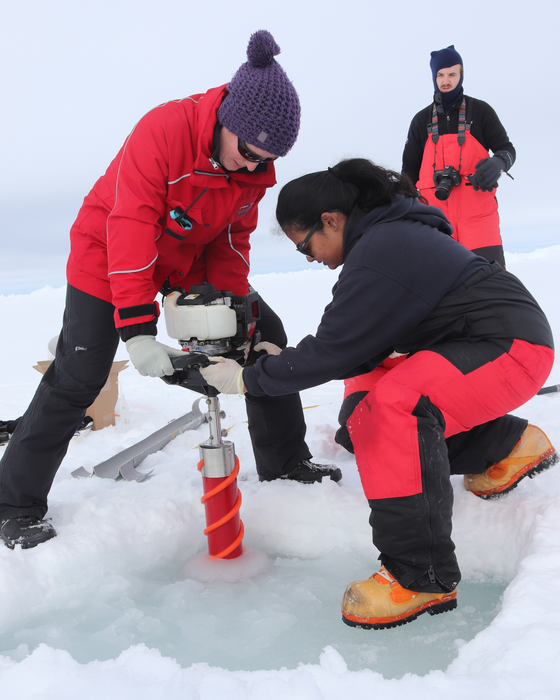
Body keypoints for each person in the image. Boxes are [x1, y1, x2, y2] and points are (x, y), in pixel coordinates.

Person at [0, 30, 341, 552]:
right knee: (82, 369)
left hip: (184, 257)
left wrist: (232, 313)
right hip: (106, 252)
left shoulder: (253, 165)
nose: (254, 167)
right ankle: (14, 503)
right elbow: (131, 224)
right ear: (228, 117)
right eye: (248, 153)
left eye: (265, 161)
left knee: (263, 331)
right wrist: (137, 330)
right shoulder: (163, 131)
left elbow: (232, 240)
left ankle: (286, 463)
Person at [199, 158, 558, 630]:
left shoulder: (385, 247)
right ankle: (508, 445)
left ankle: (421, 578)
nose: (310, 258)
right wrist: (271, 362)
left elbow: (332, 350)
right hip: (464, 344)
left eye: (306, 245)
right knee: (360, 419)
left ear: (332, 220)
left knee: (397, 408)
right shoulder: (383, 241)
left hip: (507, 345)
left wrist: (247, 378)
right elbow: (354, 350)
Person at [402, 45, 515, 268]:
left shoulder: (481, 111)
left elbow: (507, 150)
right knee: (439, 294)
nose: (446, 80)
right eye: (440, 75)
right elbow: (408, 175)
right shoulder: (420, 120)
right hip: (436, 228)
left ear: (461, 75)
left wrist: (498, 162)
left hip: (481, 226)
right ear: (434, 78)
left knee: (491, 290)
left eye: (452, 74)